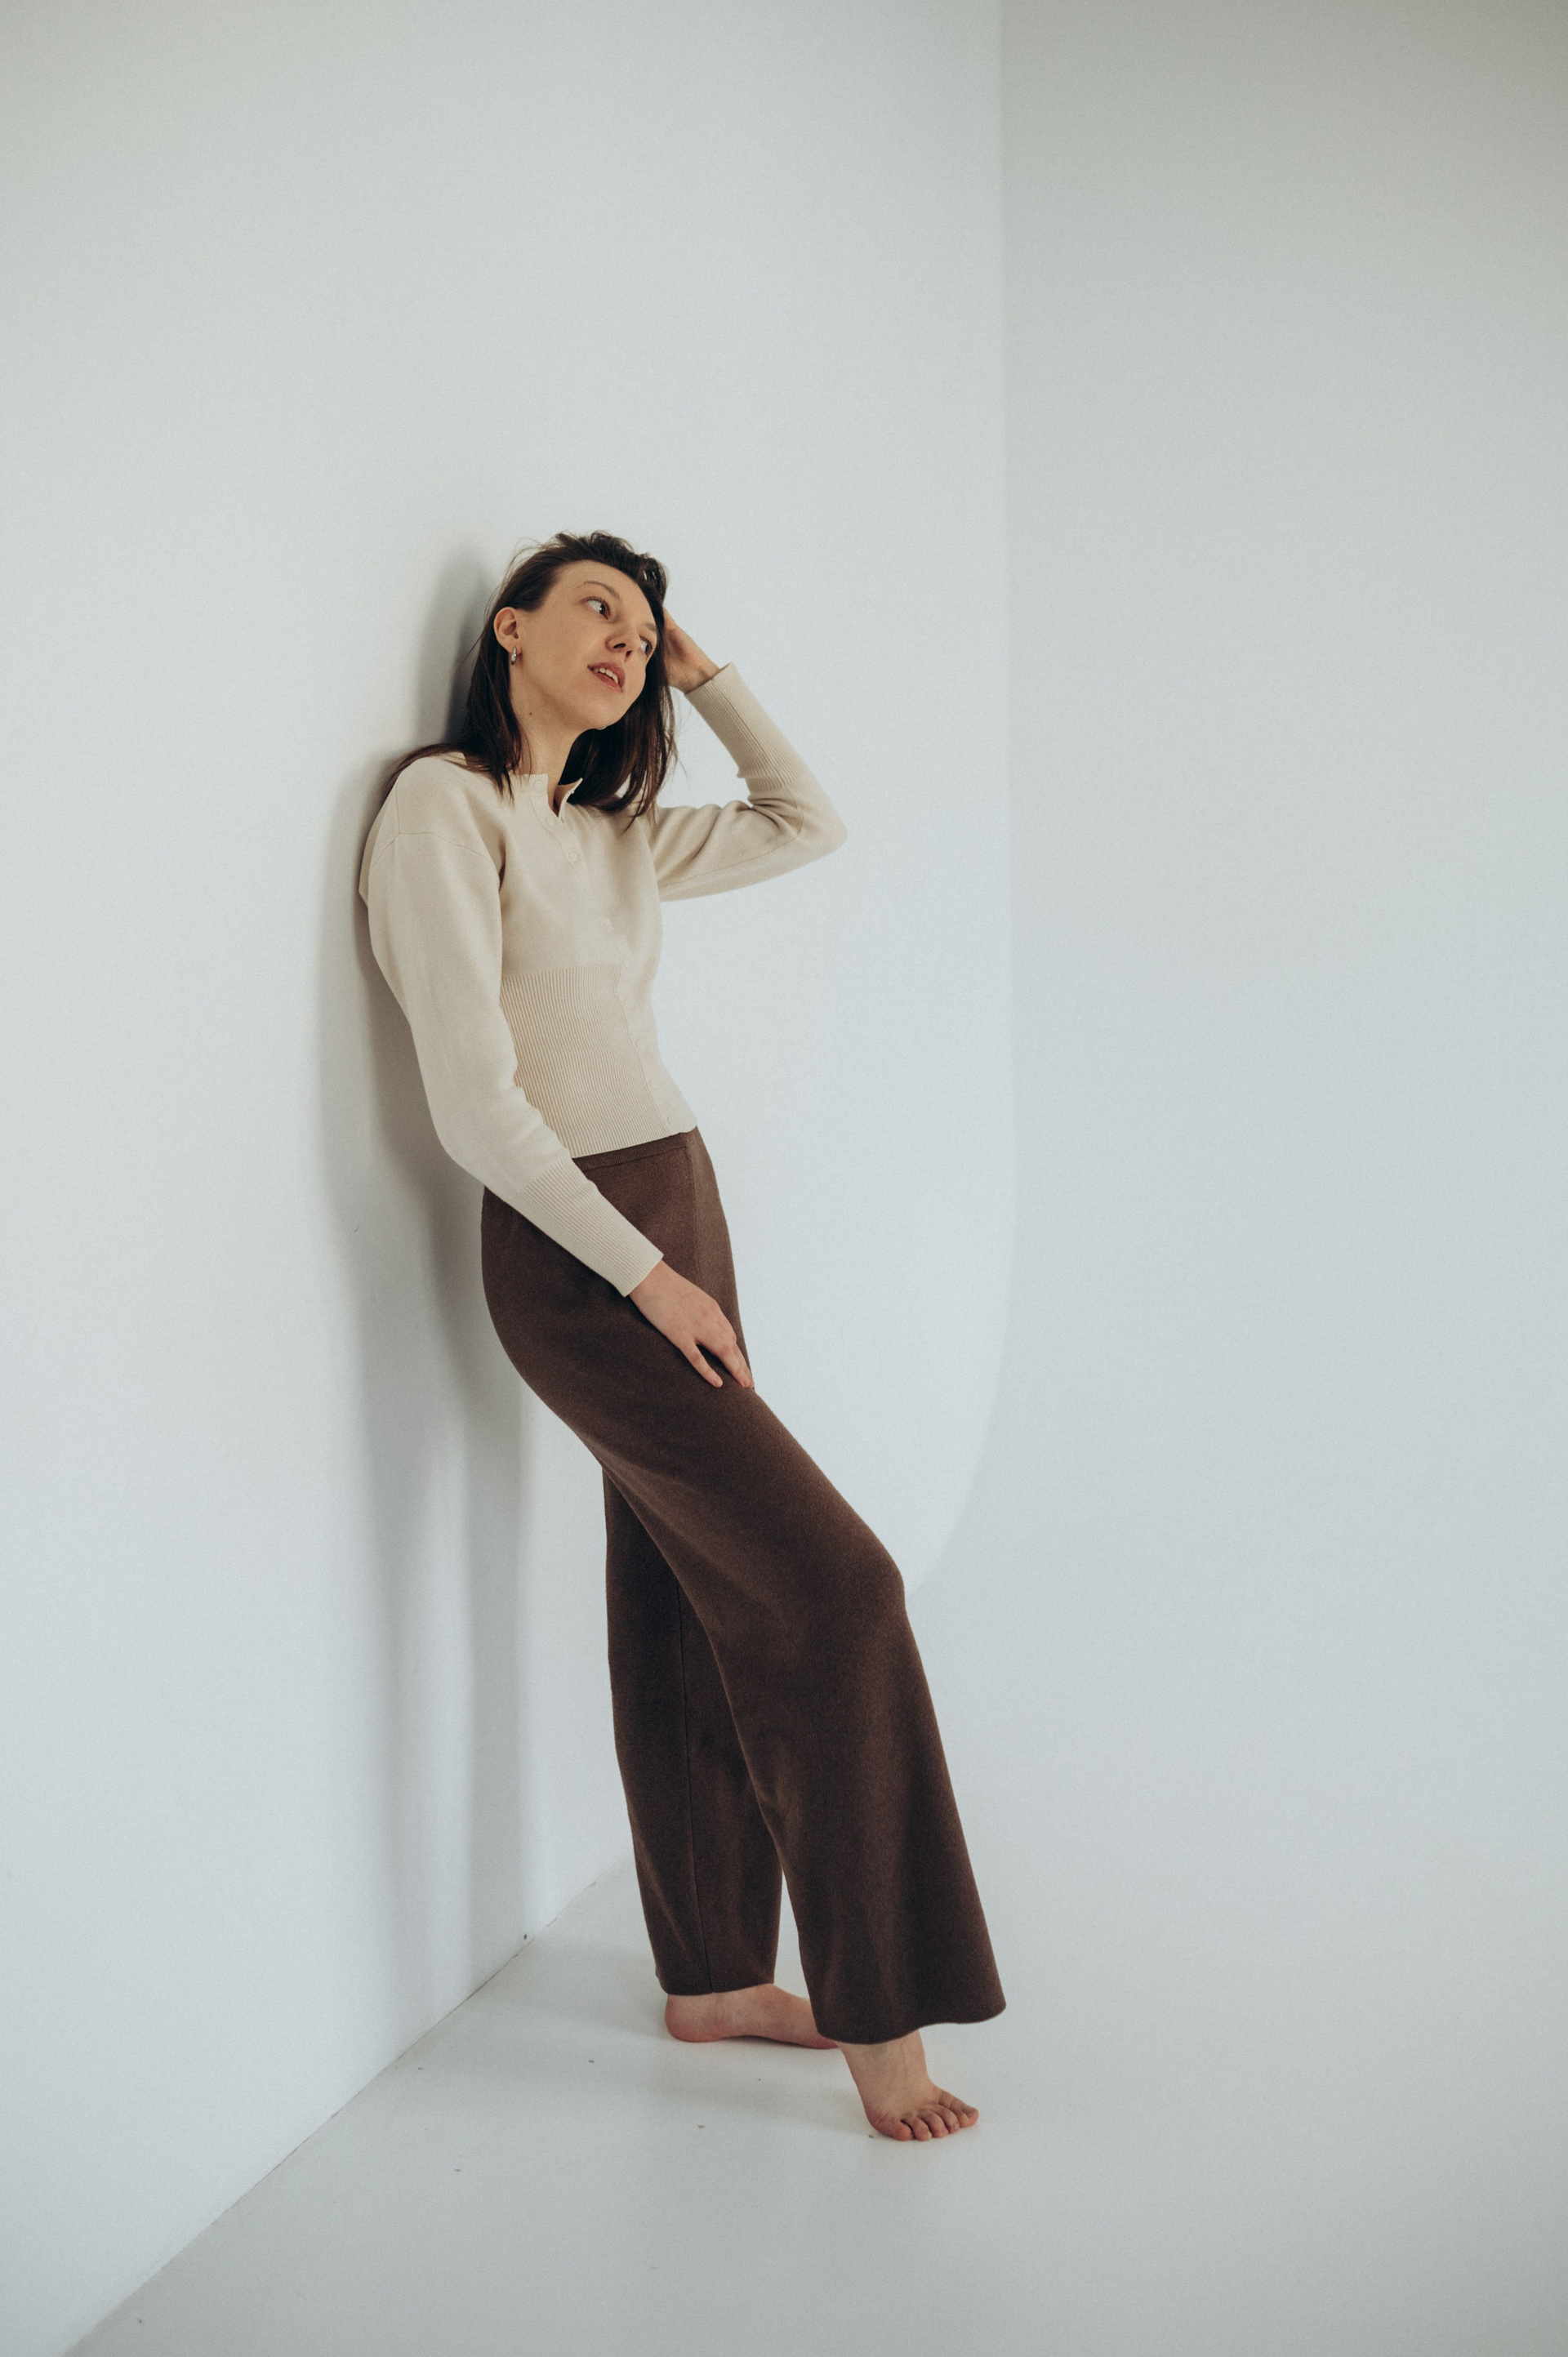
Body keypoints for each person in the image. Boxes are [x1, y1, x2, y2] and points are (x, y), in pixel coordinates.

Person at [359, 530, 1004, 2141]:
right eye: (597, 610)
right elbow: (474, 1105)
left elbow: (808, 820)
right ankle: (883, 2015)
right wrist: (645, 1275)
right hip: (584, 1249)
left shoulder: (615, 830)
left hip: (674, 1199)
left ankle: (715, 1975)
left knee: (684, 1591)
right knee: (835, 1589)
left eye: (648, 633)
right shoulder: (445, 807)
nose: (628, 643)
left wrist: (708, 678)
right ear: (509, 629)